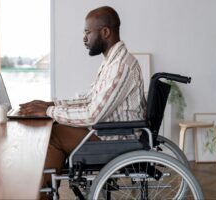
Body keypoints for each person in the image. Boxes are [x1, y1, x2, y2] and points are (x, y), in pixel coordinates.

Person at [19, 6, 146, 199]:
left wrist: (50, 112)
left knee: (54, 134)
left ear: (105, 32)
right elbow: (89, 100)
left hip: (118, 139)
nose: (84, 38)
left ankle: (42, 193)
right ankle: (44, 190)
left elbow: (93, 114)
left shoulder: (120, 66)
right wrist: (49, 105)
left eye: (88, 32)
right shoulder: (112, 62)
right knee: (55, 126)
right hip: (109, 133)